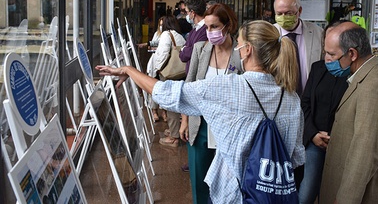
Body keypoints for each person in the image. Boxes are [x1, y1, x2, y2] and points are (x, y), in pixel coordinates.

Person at [96, 20, 305, 204]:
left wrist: (129, 70)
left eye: (239, 44)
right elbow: (296, 156)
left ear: (248, 49)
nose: (237, 49)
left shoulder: (227, 88)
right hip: (275, 195)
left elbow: (167, 93)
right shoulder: (291, 98)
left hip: (232, 195)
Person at [319, 22, 378, 204]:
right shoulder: (365, 77)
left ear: (352, 54)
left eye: (331, 54)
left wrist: (346, 199)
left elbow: (366, 151)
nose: (327, 59)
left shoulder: (375, 87)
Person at [179, 3, 242, 204]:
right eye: (207, 27)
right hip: (201, 124)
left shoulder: (241, 54)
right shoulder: (201, 49)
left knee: (228, 179)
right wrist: (184, 120)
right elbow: (188, 87)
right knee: (199, 178)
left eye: (214, 27)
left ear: (228, 25)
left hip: (229, 126)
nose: (210, 32)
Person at [298, 22, 348, 204]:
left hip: (341, 144)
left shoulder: (353, 74)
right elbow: (305, 103)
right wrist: (312, 135)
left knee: (334, 192)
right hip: (315, 140)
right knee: (307, 193)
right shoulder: (318, 67)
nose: (327, 56)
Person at [274, 0, 324, 96]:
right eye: (279, 14)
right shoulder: (269, 34)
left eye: (289, 13)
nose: (284, 17)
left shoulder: (318, 33)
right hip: (279, 99)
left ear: (299, 11)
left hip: (310, 98)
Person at [152, 14, 186, 146]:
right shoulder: (179, 35)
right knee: (176, 104)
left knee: (171, 104)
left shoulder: (166, 35)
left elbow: (163, 53)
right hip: (179, 73)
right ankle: (174, 130)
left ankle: (173, 137)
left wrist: (158, 69)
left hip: (169, 74)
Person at [138, 17, 166, 121]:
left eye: (163, 24)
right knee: (154, 87)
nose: (161, 26)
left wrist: (148, 45)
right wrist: (149, 45)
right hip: (155, 63)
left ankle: (164, 111)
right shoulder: (157, 34)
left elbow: (158, 45)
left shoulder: (170, 35)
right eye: (160, 24)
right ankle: (154, 110)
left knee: (164, 88)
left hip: (165, 65)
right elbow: (153, 45)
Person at [179, 0, 208, 74]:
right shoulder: (194, 30)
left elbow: (194, 53)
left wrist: (185, 49)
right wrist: (186, 49)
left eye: (187, 12)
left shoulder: (206, 30)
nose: (186, 15)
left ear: (193, 13)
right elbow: (183, 56)